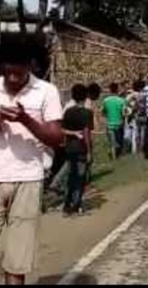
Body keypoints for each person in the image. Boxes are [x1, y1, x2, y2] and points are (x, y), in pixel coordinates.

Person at [0, 38, 64, 285]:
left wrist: (25, 119)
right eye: (7, 71)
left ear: (30, 66)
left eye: (18, 72)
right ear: (1, 66)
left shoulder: (46, 91)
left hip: (28, 180)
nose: (12, 77)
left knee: (16, 261)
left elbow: (56, 138)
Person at [62, 84, 93, 216]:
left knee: (70, 177)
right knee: (80, 178)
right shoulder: (87, 113)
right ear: (85, 96)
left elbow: (62, 130)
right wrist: (89, 151)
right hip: (81, 149)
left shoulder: (68, 112)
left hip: (69, 149)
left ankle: (67, 205)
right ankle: (77, 205)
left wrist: (72, 134)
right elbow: (86, 133)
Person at [102, 83, 126, 158]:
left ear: (110, 90)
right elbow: (123, 113)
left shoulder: (105, 100)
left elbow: (103, 112)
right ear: (117, 90)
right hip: (119, 124)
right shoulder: (121, 100)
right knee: (120, 139)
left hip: (109, 124)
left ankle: (114, 156)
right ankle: (120, 152)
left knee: (111, 143)